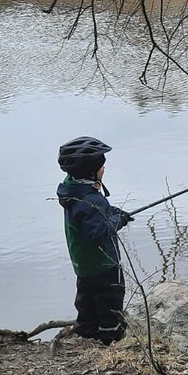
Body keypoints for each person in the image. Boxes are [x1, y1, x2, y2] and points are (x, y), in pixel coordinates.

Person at [57, 136, 133, 345]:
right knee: (110, 302)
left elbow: (91, 218)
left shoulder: (72, 190)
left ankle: (87, 335)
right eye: (102, 165)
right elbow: (99, 231)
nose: (104, 168)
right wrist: (119, 219)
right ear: (91, 171)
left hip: (84, 265)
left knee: (87, 302)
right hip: (104, 265)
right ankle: (112, 340)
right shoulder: (91, 200)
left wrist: (112, 211)